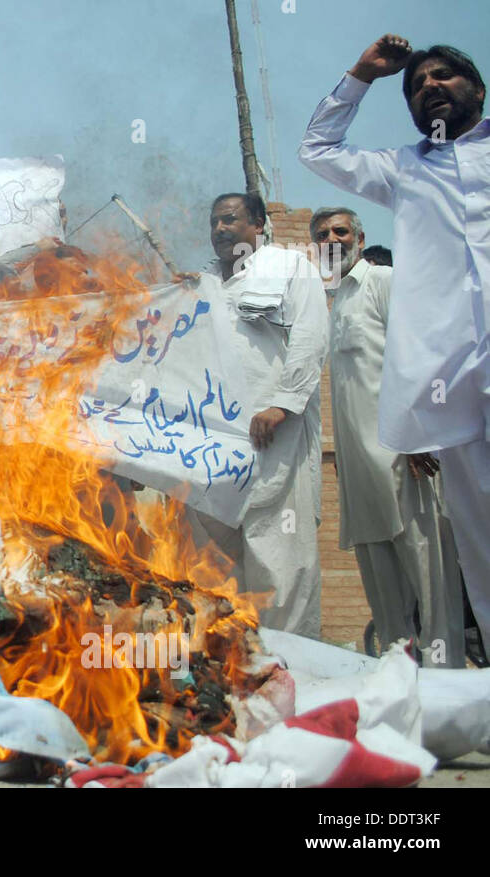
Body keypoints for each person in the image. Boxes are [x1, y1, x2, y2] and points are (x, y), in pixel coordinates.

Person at [299, 35, 490, 646]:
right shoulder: (403, 170)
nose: (429, 85)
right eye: (417, 84)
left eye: (444, 77)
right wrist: (362, 74)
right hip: (454, 384)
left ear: (478, 91)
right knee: (480, 536)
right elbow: (319, 147)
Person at [313, 206, 463, 664]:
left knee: (431, 583)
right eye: (322, 234)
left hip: (402, 461)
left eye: (341, 231)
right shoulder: (338, 302)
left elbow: (418, 354)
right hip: (361, 476)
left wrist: (418, 435)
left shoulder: (382, 282)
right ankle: (399, 684)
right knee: (383, 589)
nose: (332, 239)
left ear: (359, 239)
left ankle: (448, 687)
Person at [187, 192, 328, 637]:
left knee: (278, 554)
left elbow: (310, 335)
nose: (219, 229)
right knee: (213, 563)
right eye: (213, 222)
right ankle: (233, 668)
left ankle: (294, 665)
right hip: (212, 445)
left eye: (230, 219)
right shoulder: (198, 284)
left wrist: (282, 405)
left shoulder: (289, 268)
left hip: (273, 435)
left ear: (259, 225)